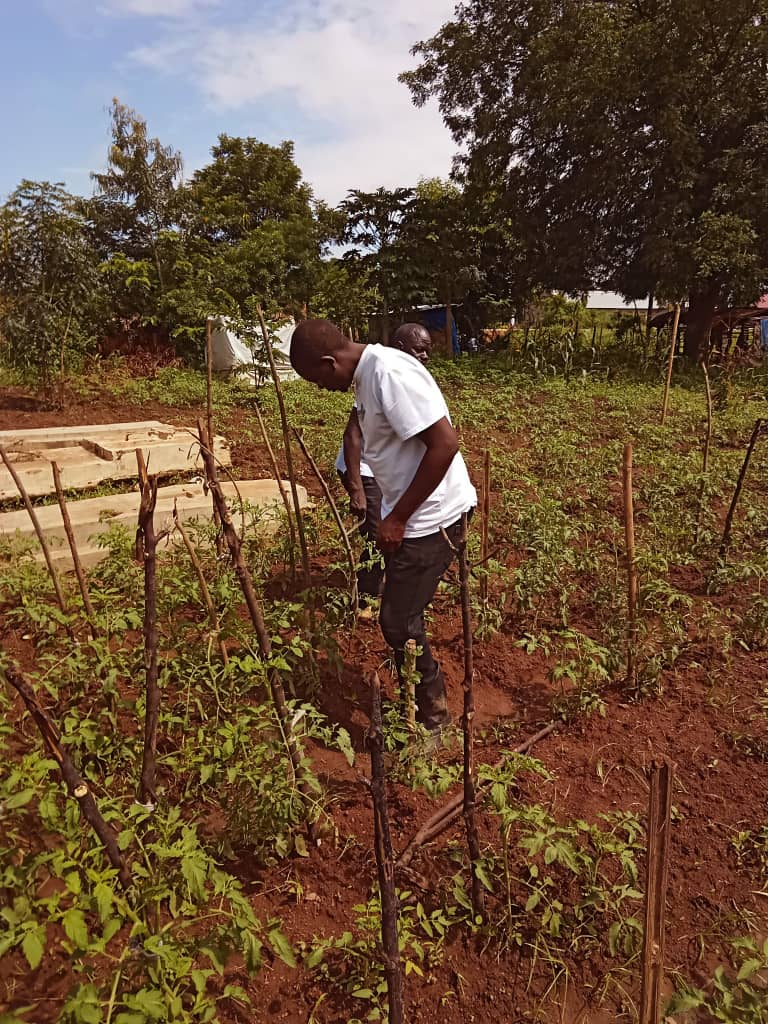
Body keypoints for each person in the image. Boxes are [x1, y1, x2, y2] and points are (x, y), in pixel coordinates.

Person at [290, 319, 476, 733]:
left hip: (435, 518)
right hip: (418, 516)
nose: (320, 389)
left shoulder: (388, 373)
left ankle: (435, 716)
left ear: (328, 362)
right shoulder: (368, 375)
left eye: (316, 380)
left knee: (397, 621)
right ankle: (417, 700)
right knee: (400, 616)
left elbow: (445, 443)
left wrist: (396, 518)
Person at [335, 324, 433, 614]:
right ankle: (367, 599)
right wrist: (356, 490)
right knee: (379, 533)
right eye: (420, 350)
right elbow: (352, 436)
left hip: (385, 470)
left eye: (428, 350)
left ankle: (395, 591)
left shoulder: (407, 376)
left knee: (395, 530)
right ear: (401, 348)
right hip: (362, 469)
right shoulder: (382, 374)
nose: (426, 356)